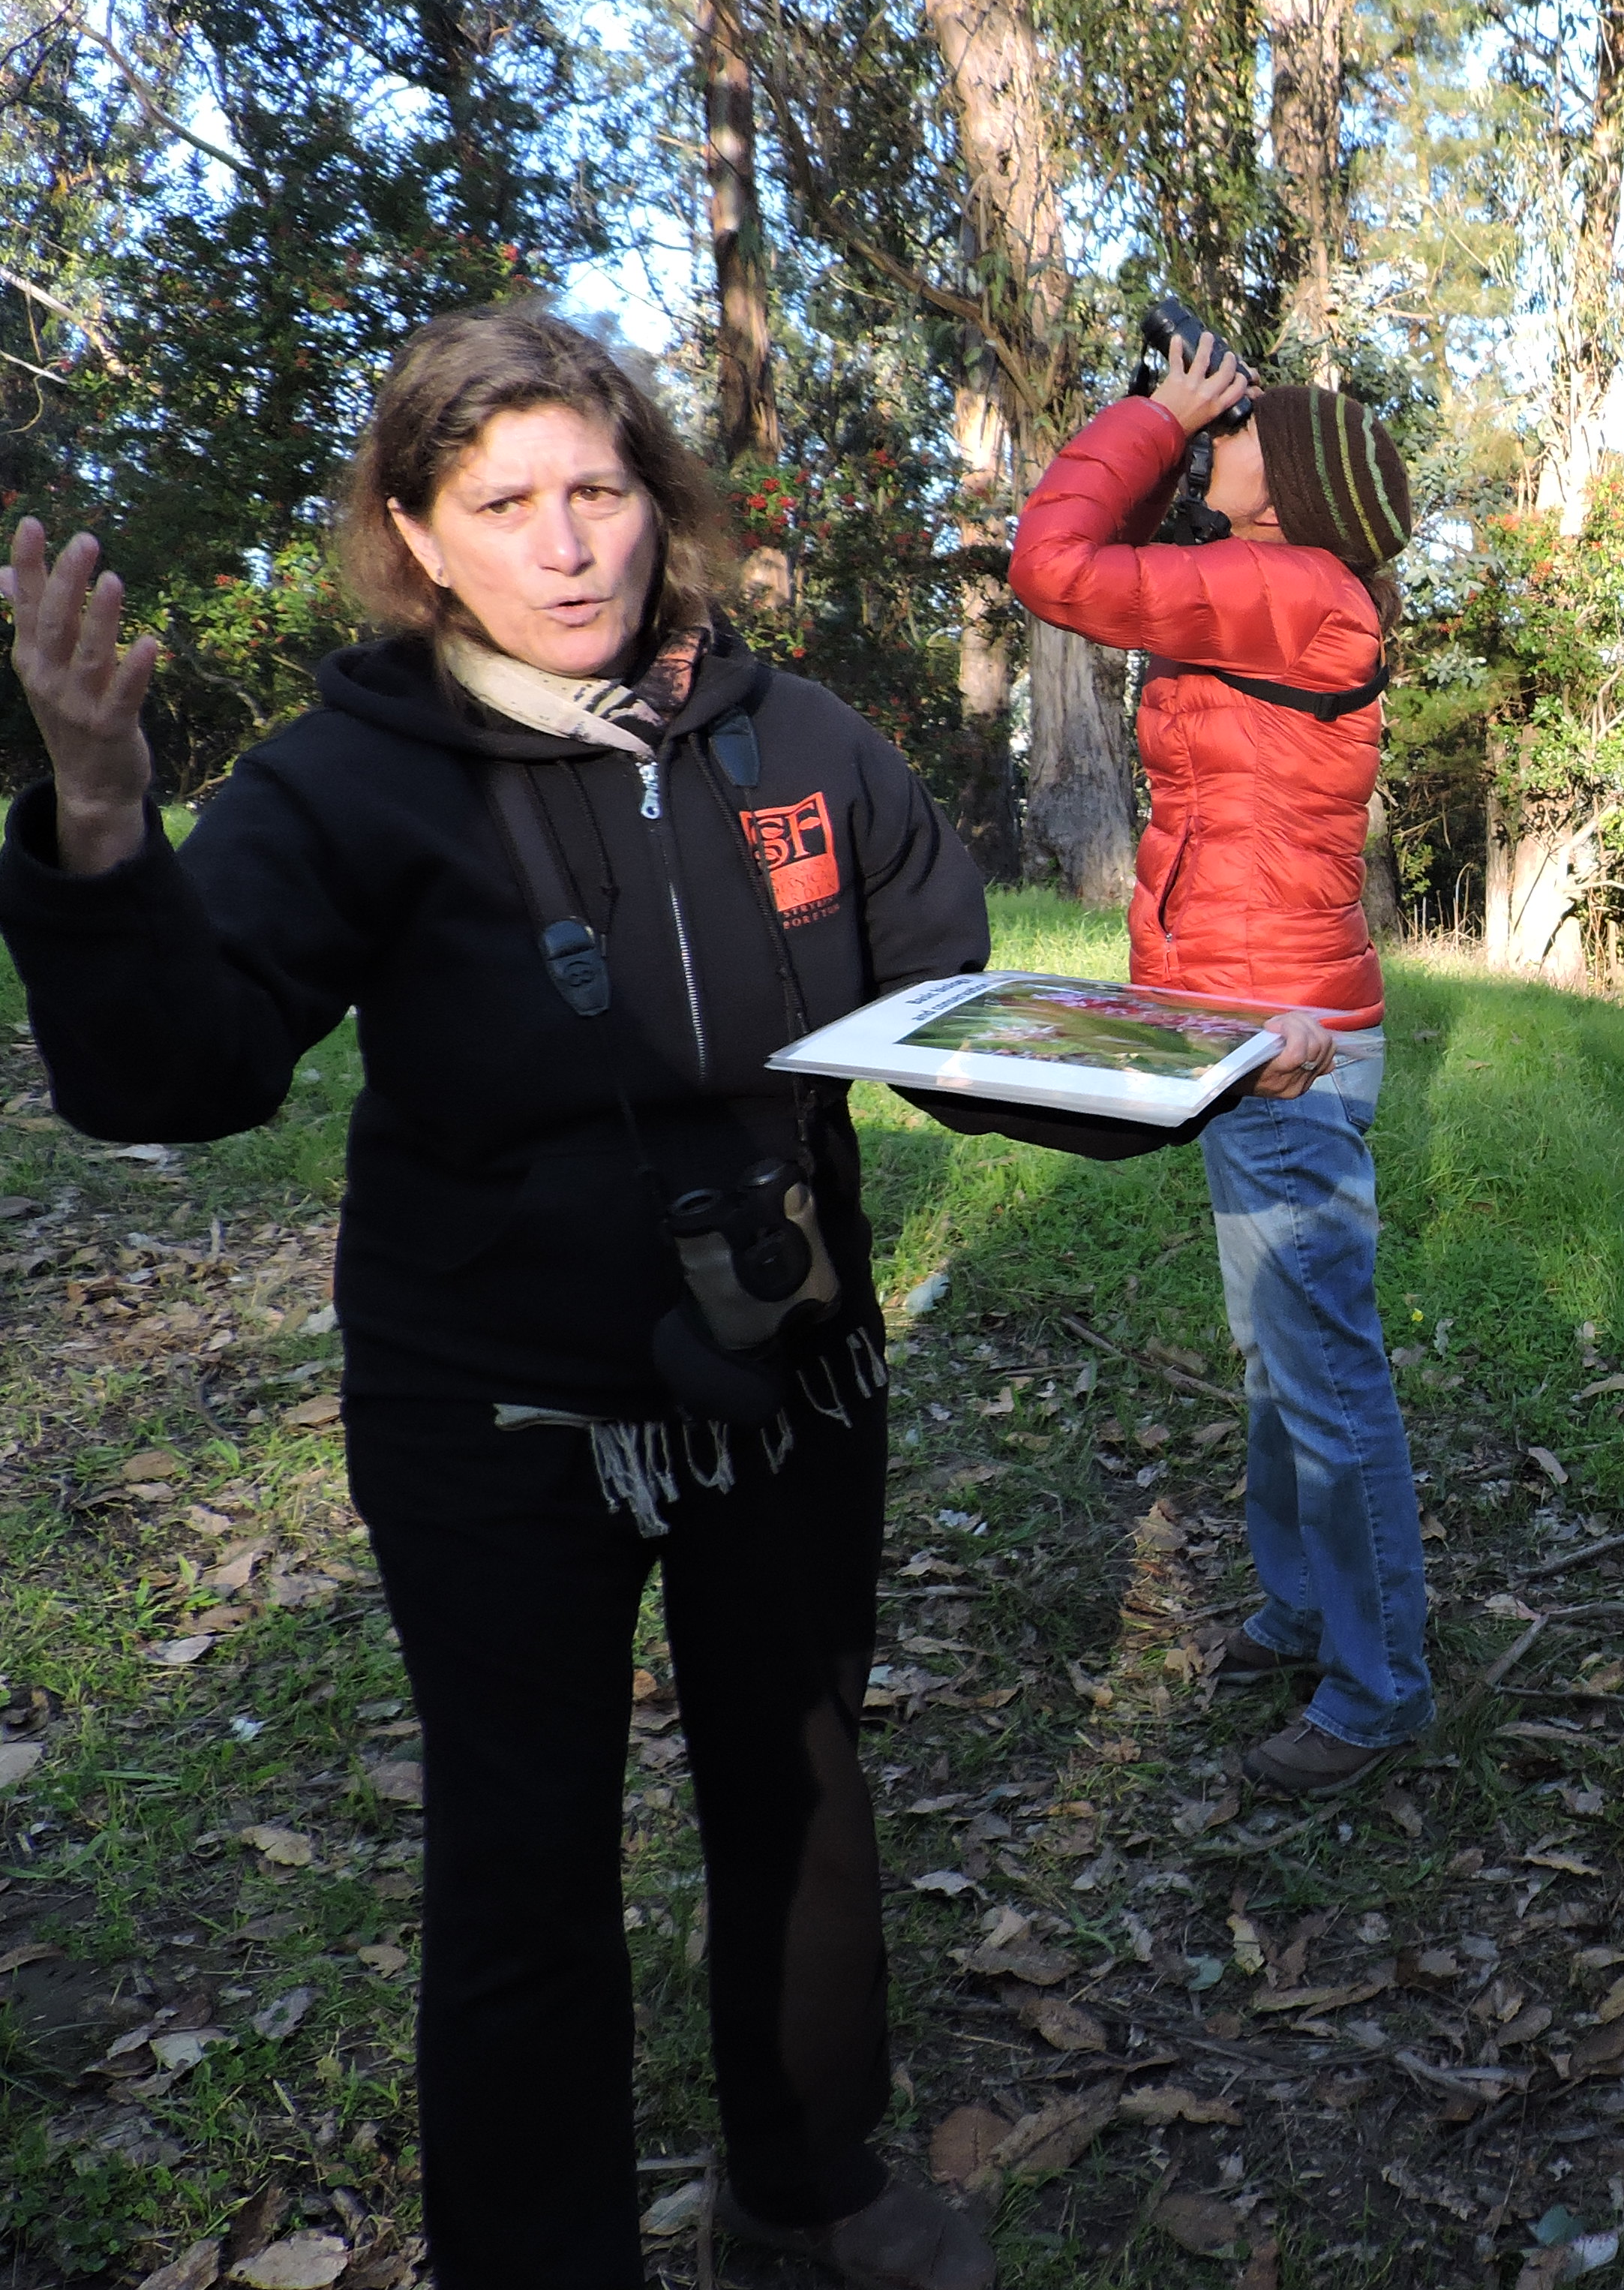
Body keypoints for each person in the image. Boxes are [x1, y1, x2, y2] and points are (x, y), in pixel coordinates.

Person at [0, 304, 998, 2290]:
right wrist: (105, 827)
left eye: (602, 491)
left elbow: (962, 1019)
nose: (568, 546)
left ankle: (803, 2190)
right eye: (506, 502)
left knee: (799, 1783)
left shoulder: (798, 739)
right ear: (419, 534)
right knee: (524, 1856)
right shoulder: (349, 777)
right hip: (497, 1413)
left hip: (785, 1363)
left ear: (662, 503)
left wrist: (1183, 1069)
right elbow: (183, 1073)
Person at [1008, 331, 1430, 1797]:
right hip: (1253, 1023)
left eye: (1247, 429)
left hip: (1281, 1048)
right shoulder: (1281, 593)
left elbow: (1056, 565)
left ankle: (1377, 1692)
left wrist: (1146, 414)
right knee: (1280, 1362)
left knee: (1324, 1379)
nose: (1219, 437)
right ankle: (1308, 1609)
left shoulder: (1287, 590)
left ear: (1291, 482)